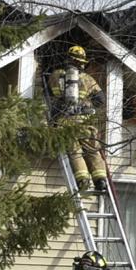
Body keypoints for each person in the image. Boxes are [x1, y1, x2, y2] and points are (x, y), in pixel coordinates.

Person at [48, 44, 109, 191]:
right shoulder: (88, 79)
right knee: (93, 151)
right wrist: (87, 104)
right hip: (85, 121)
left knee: (75, 152)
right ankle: (100, 179)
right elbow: (101, 99)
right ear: (82, 62)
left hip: (65, 123)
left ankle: (82, 180)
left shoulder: (55, 76)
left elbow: (50, 96)